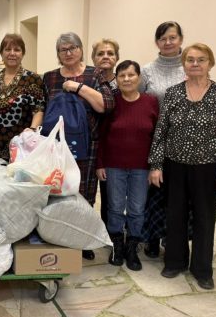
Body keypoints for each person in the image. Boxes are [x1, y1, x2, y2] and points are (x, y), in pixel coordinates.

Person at [148, 43, 216, 290]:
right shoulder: (174, 92)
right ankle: (175, 261)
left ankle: (202, 269)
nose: (195, 64)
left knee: (204, 218)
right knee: (174, 215)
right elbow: (161, 131)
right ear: (184, 63)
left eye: (201, 59)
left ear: (210, 63)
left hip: (208, 168)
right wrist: (156, 165)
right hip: (174, 165)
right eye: (190, 59)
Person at [43, 32, 115, 260]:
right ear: (58, 54)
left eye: (73, 48)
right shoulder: (49, 78)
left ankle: (82, 239)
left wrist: (77, 87)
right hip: (56, 146)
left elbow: (106, 105)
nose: (68, 52)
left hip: (88, 145)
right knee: (57, 191)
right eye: (63, 50)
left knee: (84, 193)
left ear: (81, 49)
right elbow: (43, 109)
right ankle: (59, 236)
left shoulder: (95, 74)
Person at [96, 60, 158, 271]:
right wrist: (100, 164)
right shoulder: (112, 103)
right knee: (114, 208)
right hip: (114, 166)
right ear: (117, 79)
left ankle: (132, 247)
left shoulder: (151, 102)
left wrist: (156, 166)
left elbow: (157, 137)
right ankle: (117, 246)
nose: (126, 79)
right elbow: (102, 136)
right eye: (122, 76)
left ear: (139, 78)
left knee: (137, 209)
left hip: (142, 167)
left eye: (131, 75)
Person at [140, 21, 187, 259]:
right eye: (162, 38)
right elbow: (134, 98)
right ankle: (151, 237)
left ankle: (172, 235)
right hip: (152, 140)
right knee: (154, 192)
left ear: (180, 39)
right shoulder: (147, 70)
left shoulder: (190, 67)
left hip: (183, 142)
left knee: (177, 193)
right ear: (156, 42)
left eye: (172, 37)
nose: (167, 42)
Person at [0, 34, 45, 161]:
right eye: (7, 49)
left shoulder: (32, 79)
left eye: (17, 50)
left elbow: (39, 109)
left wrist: (33, 130)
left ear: (23, 54)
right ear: (1, 53)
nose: (12, 53)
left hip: (22, 148)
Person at [91, 38, 120, 225]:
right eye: (100, 53)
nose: (106, 57)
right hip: (91, 144)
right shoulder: (89, 80)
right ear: (93, 58)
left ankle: (112, 234)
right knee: (88, 193)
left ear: (117, 57)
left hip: (116, 147)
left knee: (112, 196)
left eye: (110, 53)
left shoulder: (125, 81)